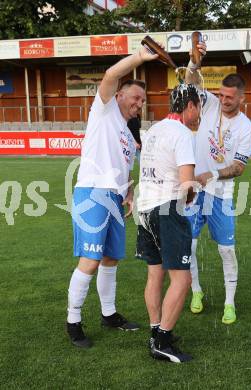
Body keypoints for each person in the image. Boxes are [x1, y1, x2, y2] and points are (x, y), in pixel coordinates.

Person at [66, 46, 159, 348]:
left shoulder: (127, 133)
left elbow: (124, 168)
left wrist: (130, 192)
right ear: (119, 95)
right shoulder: (103, 111)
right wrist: (139, 58)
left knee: (110, 259)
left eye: (143, 101)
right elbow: (110, 75)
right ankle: (73, 321)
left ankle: (109, 314)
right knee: (90, 261)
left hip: (115, 199)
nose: (139, 104)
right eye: (135, 98)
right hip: (93, 193)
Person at [185, 47, 251, 324]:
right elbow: (190, 83)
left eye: (230, 97)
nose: (224, 101)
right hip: (193, 191)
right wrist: (193, 62)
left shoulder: (246, 128)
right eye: (222, 95)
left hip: (220, 195)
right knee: (187, 246)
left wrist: (211, 175)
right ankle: (196, 291)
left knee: (226, 250)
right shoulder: (210, 104)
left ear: (241, 98)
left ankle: (229, 303)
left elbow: (238, 167)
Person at [136, 83, 202, 363]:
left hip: (144, 207)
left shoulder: (154, 129)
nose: (199, 113)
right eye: (199, 107)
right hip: (167, 208)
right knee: (182, 279)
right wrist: (192, 193)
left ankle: (155, 332)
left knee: (155, 274)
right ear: (189, 107)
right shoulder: (182, 134)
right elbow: (187, 183)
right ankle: (162, 341)